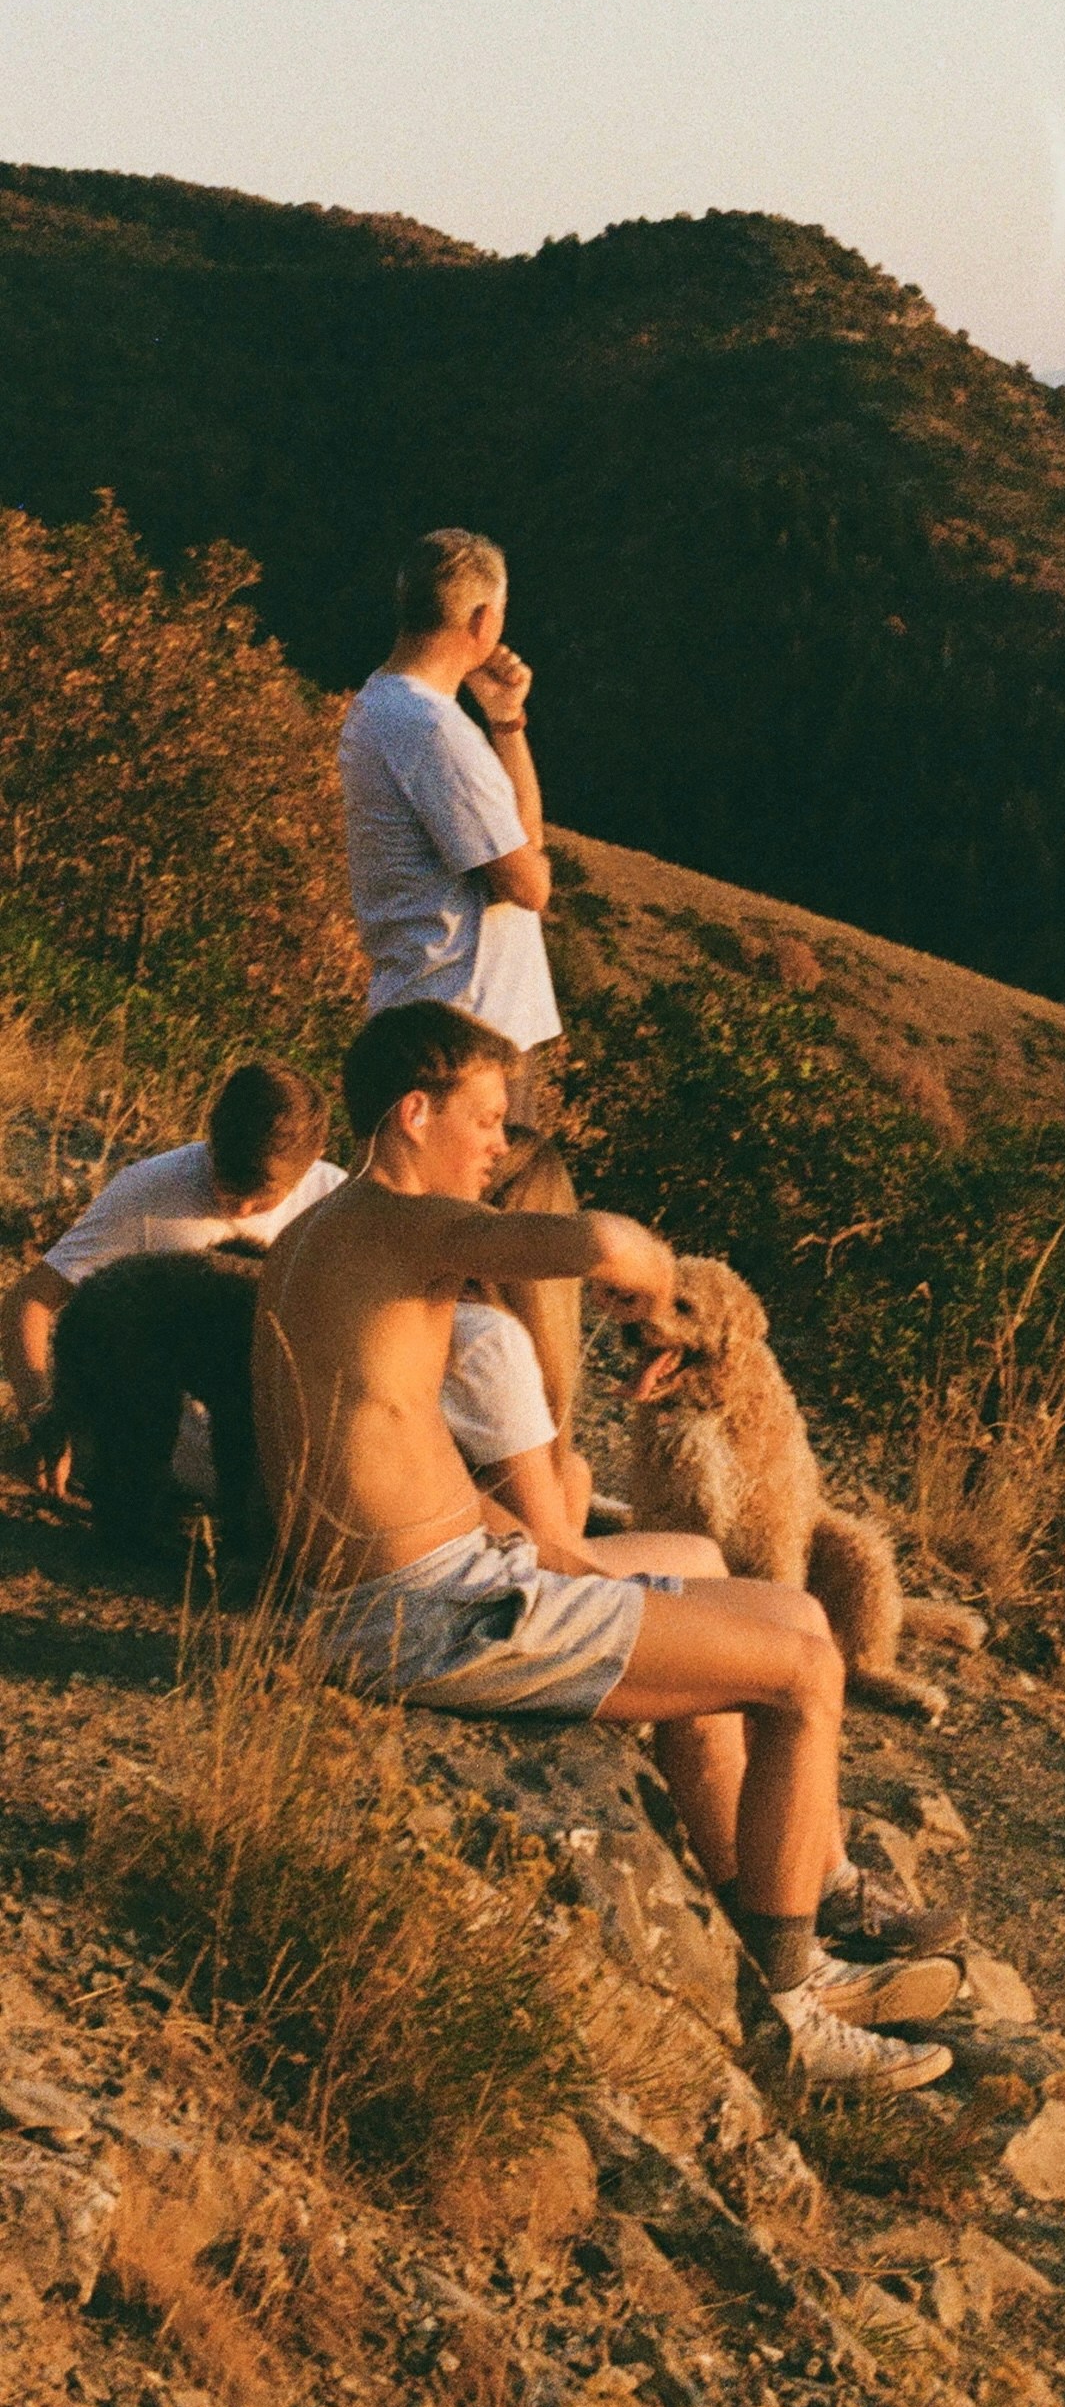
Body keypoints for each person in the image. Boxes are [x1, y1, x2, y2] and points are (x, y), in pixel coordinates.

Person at [254, 1000, 953, 2088]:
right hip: (432, 1617)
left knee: (792, 1613)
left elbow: (389, 1456)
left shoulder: (322, 1236)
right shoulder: (402, 1221)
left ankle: (782, 1927)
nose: (498, 1144)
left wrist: (546, 1550)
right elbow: (600, 1241)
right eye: (488, 1118)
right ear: (413, 1110)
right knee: (808, 1670)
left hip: (442, 1582)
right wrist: (647, 1274)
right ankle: (788, 2012)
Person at [3, 1061, 343, 1494]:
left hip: (271, 1466)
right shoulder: (151, 1188)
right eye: (225, 1182)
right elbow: (30, 1299)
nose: (236, 1210)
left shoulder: (335, 1206)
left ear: (312, 1163)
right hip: (145, 1454)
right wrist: (43, 1412)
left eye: (259, 1198)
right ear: (211, 1138)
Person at [336, 530, 561, 1121]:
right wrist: (529, 858)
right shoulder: (433, 730)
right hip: (470, 1032)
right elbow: (529, 884)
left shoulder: (379, 706)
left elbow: (518, 842)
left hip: (423, 1006)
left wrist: (506, 720)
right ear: (484, 620)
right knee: (482, 1210)